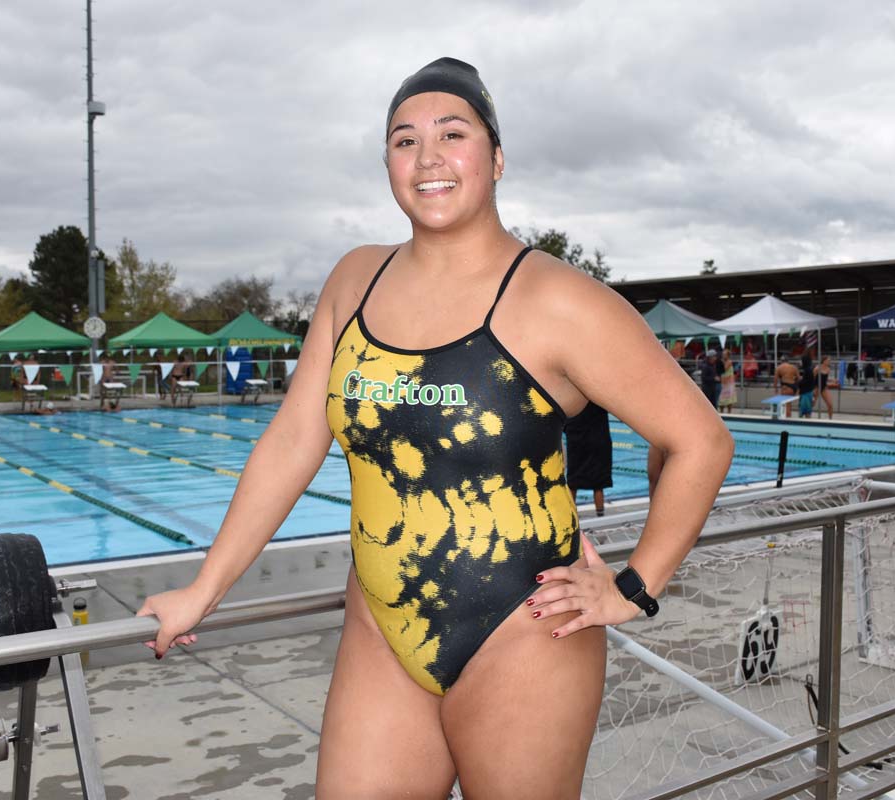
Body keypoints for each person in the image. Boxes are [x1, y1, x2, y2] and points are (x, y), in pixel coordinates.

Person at [136, 57, 734, 797]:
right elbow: (293, 439)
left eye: (453, 134)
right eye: (404, 140)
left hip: (523, 635)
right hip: (382, 632)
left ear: (497, 155)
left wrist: (636, 585)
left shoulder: (558, 300)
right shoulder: (354, 281)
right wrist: (203, 589)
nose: (428, 159)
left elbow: (699, 440)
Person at [564, 401, 613, 517]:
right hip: (599, 440)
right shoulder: (598, 395)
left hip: (577, 440)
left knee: (573, 481)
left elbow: (564, 419)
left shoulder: (573, 398)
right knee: (598, 484)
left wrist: (568, 429)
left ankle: (570, 515)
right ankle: (600, 515)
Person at [814, 354, 834, 420]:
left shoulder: (828, 369)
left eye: (830, 360)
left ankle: (830, 419)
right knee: (812, 404)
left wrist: (833, 380)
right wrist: (813, 389)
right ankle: (807, 416)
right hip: (816, 387)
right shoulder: (817, 368)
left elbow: (825, 379)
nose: (829, 362)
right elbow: (812, 379)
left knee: (830, 404)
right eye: (828, 360)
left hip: (824, 387)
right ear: (824, 361)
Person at [718, 347, 736, 413]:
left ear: (728, 355)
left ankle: (729, 412)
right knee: (721, 398)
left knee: (729, 398)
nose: (723, 356)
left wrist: (720, 363)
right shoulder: (722, 361)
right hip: (723, 381)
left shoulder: (729, 362)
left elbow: (724, 369)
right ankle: (721, 411)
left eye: (724, 354)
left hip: (728, 383)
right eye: (723, 354)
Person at [798, 349, 815, 419]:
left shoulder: (808, 370)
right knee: (807, 411)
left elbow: (804, 382)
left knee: (805, 411)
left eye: (801, 361)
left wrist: (798, 382)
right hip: (808, 391)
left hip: (806, 393)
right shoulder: (809, 369)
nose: (800, 363)